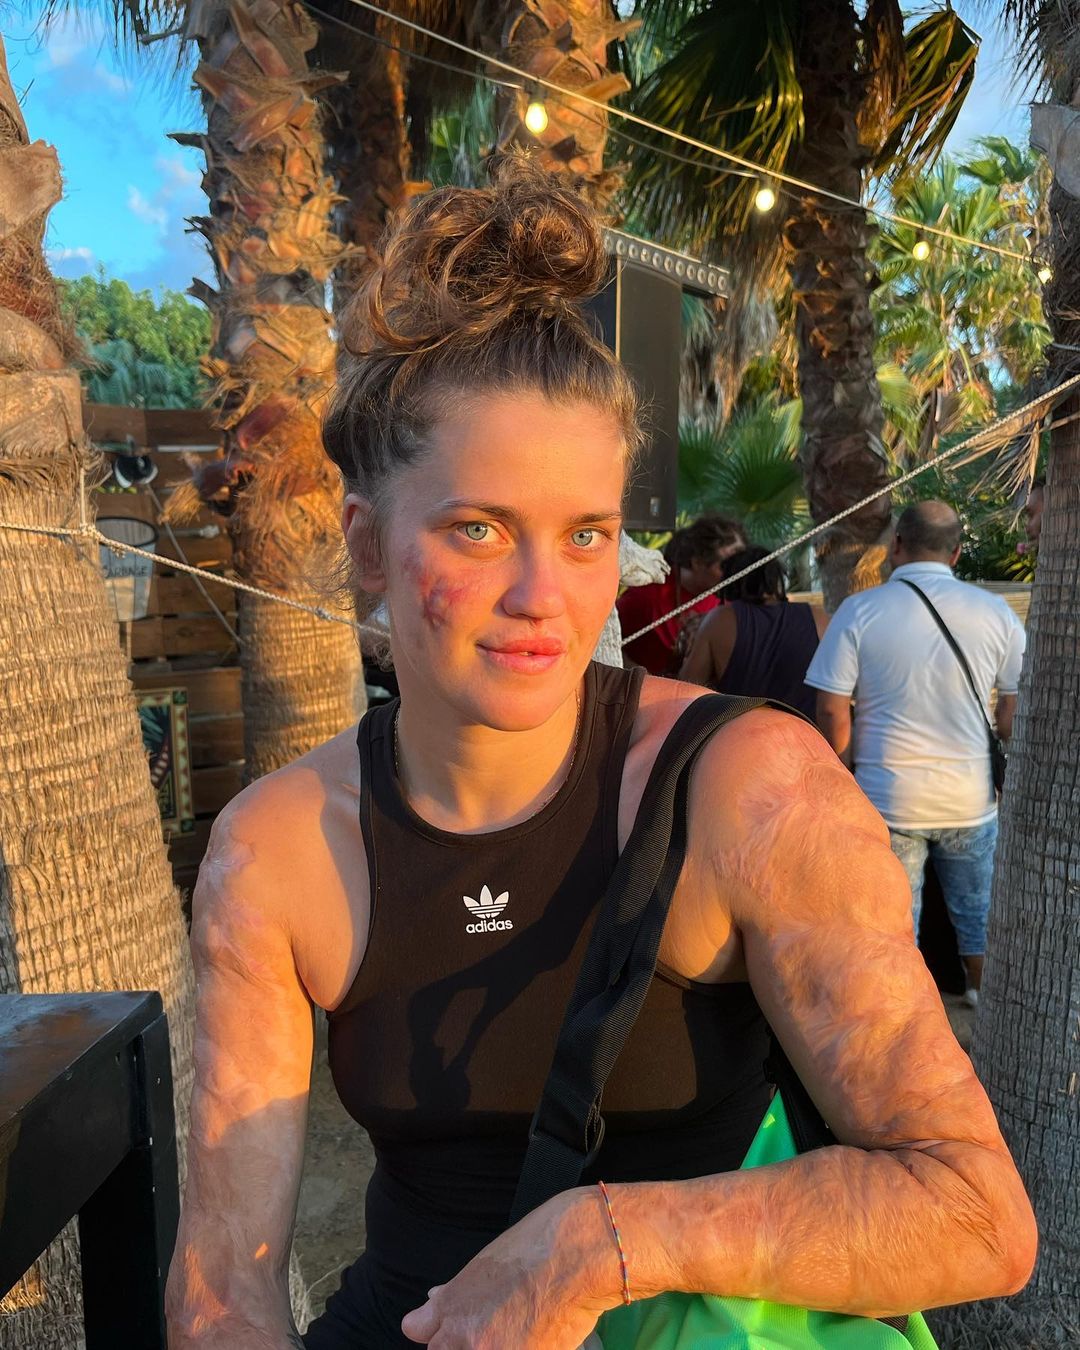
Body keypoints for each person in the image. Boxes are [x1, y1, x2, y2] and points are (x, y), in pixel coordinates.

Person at [165, 165, 1035, 1350]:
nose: (543, 595)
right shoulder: (274, 849)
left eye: (585, 536)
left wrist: (601, 1243)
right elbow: (225, 1291)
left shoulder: (749, 787)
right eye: (479, 528)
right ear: (367, 547)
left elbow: (974, 1211)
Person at [806, 501, 1026, 1006]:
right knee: (979, 918)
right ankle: (984, 1009)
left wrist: (844, 776)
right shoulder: (996, 613)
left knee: (893, 924)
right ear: (957, 552)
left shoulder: (859, 611)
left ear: (896, 545)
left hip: (888, 800)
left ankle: (902, 1017)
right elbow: (1011, 719)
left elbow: (832, 711)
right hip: (970, 800)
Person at [679, 546, 827, 717]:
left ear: (730, 581)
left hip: (742, 729)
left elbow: (688, 687)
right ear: (775, 578)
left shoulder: (719, 620)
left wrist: (688, 647)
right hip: (807, 729)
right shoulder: (818, 617)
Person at [617, 514, 745, 676]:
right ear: (697, 562)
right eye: (727, 566)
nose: (736, 573)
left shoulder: (732, 603)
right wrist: (641, 679)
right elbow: (605, 644)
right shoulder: (646, 595)